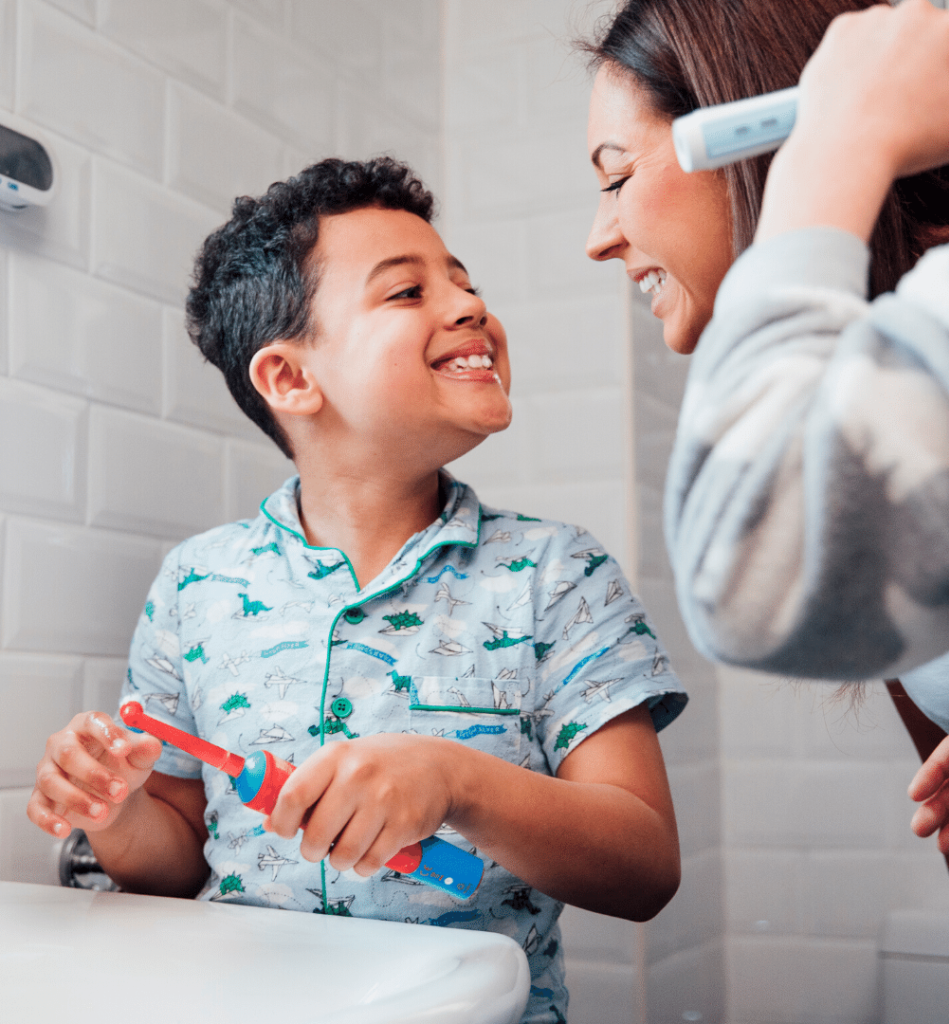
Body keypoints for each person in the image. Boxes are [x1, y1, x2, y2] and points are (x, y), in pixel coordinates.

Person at [27, 157, 687, 1024]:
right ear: (290, 379)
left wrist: (459, 782)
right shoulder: (197, 584)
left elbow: (644, 868)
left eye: (464, 281)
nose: (468, 306)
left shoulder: (555, 575)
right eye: (406, 292)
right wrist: (115, 815)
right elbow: (180, 861)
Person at [582, 0, 949, 1017]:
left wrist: (834, 143)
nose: (600, 236)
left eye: (615, 176)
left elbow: (751, 571)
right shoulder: (886, 396)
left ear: (763, 124)